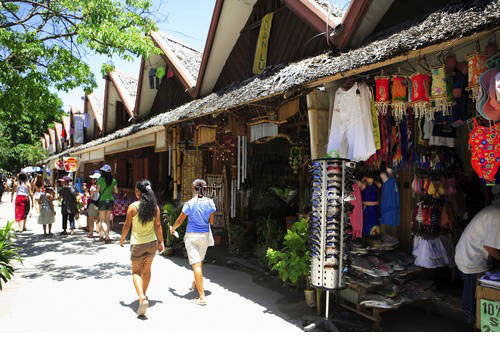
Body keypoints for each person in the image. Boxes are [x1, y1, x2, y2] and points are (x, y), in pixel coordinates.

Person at [454, 187, 500, 326]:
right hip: (471, 258)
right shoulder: (498, 215)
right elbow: (490, 247)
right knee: (474, 294)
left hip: (470, 254)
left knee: (473, 292)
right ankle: (472, 324)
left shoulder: (494, 210)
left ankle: (473, 321)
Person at [120, 180, 164, 317]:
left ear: (139, 192)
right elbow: (158, 225)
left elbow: (127, 225)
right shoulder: (155, 207)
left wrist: (122, 239)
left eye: (135, 189)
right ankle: (143, 295)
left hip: (137, 244)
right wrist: (161, 242)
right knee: (147, 270)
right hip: (152, 243)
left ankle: (142, 298)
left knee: (136, 272)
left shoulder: (133, 207)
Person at [170, 179, 216, 306]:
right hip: (205, 236)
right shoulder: (210, 203)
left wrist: (173, 229)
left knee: (196, 264)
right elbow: (211, 222)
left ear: (193, 188)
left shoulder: (189, 203)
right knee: (199, 262)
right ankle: (196, 283)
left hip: (192, 236)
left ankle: (202, 297)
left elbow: (180, 220)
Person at [96, 164, 118, 244]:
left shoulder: (100, 179)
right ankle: (102, 236)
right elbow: (116, 191)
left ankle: (107, 237)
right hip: (111, 200)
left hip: (102, 200)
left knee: (102, 220)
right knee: (107, 220)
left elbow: (97, 191)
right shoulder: (113, 180)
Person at [86, 171, 101, 238]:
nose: (91, 180)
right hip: (100, 204)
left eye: (93, 178)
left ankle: (91, 233)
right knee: (100, 220)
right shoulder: (101, 187)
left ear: (95, 180)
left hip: (93, 204)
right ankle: (101, 234)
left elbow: (91, 197)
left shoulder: (92, 187)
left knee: (91, 220)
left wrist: (88, 195)